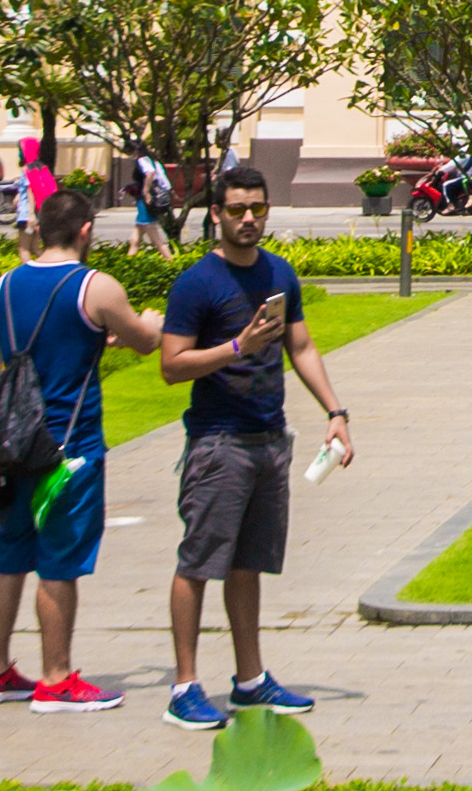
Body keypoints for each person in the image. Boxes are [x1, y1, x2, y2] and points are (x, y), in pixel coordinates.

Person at [0, 184, 205, 713]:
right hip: (68, 449)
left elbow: (4, 363)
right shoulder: (95, 286)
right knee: (59, 561)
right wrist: (152, 323)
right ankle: (56, 679)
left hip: (12, 443)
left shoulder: (5, 285)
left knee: (9, 553)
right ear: (85, 231)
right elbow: (146, 342)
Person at [153, 156, 357, 731]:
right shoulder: (197, 283)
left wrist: (336, 412)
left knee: (248, 565)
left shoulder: (278, 274)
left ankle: (249, 680)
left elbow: (303, 348)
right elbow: (172, 366)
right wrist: (236, 348)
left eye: (257, 209)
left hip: (270, 440)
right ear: (216, 214)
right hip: (218, 443)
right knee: (198, 562)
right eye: (237, 209)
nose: (248, 219)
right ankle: (185, 687)